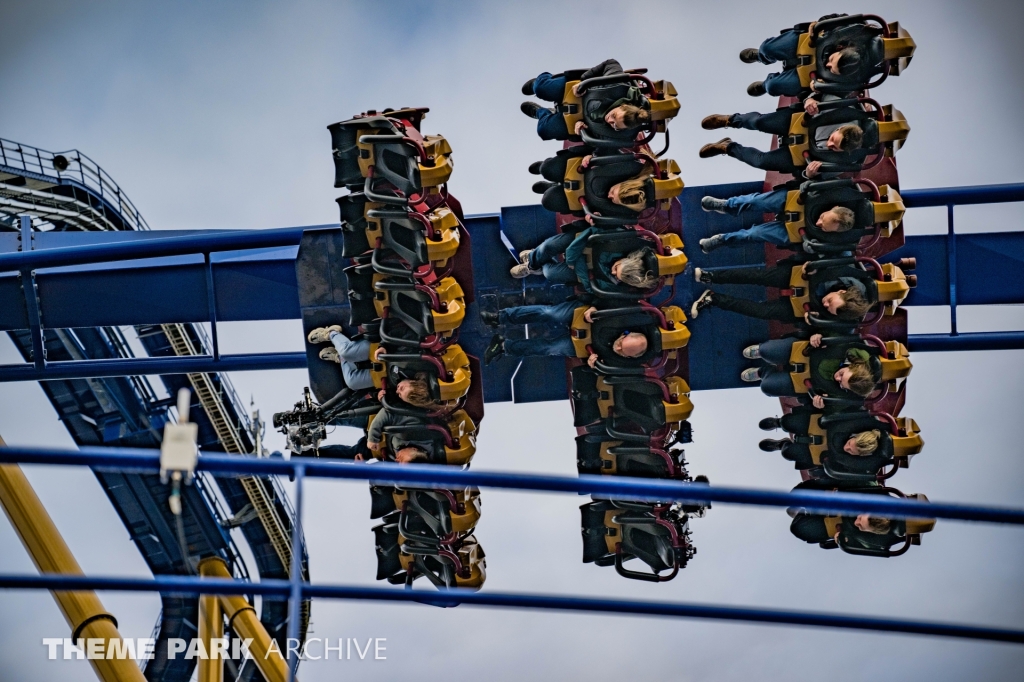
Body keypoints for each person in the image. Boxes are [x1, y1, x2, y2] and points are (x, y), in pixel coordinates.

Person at [698, 98, 864, 178]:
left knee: (761, 161)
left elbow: (816, 176)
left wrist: (809, 173)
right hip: (798, 122)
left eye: (834, 148)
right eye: (832, 138)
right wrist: (810, 101)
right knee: (759, 122)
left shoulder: (847, 161)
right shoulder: (846, 112)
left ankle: (727, 147)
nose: (829, 144)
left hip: (801, 155)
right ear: (840, 128)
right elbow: (818, 92)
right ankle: (731, 120)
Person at [689, 258, 873, 326]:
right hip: (801, 275)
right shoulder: (846, 276)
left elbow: (827, 323)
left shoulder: (844, 314)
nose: (826, 304)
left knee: (761, 312)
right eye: (830, 301)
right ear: (841, 291)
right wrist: (812, 266)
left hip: (804, 307)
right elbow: (826, 260)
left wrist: (815, 323)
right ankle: (711, 276)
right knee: (756, 276)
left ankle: (713, 299)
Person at [511, 226, 673, 294]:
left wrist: (577, 264)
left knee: (549, 273)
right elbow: (594, 231)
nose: (612, 272)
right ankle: (532, 261)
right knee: (548, 246)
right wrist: (574, 255)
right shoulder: (624, 242)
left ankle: (537, 266)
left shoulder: (621, 285)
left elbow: (593, 288)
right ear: (626, 259)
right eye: (617, 268)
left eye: (616, 276)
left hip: (582, 270)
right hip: (581, 244)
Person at [520, 58, 651, 141]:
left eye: (615, 126)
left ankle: (541, 112)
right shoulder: (616, 86)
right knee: (541, 88)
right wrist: (584, 81)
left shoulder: (621, 135)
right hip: (574, 91)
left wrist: (583, 130)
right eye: (614, 116)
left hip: (576, 119)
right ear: (623, 106)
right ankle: (538, 82)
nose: (610, 120)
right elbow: (611, 63)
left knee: (543, 130)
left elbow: (601, 145)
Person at [480, 303, 649, 366]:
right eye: (621, 343)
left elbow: (606, 370)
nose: (617, 347)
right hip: (584, 316)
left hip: (583, 347)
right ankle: (499, 317)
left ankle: (502, 346)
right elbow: (608, 299)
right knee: (550, 313)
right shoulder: (627, 317)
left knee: (549, 348)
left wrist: (593, 364)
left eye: (622, 351)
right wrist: (594, 307)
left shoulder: (623, 363)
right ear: (626, 334)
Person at [740, 14, 864, 97]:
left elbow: (843, 91)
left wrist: (821, 88)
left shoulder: (863, 74)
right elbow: (837, 18)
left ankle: (764, 85)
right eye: (831, 60)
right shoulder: (859, 30)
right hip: (812, 42)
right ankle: (761, 56)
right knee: (768, 48)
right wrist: (819, 24)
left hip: (814, 74)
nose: (828, 63)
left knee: (773, 86)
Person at [697, 188, 856, 252]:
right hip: (795, 201)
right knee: (756, 202)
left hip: (796, 233)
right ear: (832, 207)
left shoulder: (838, 244)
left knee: (753, 234)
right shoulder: (832, 193)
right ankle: (728, 206)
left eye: (824, 228)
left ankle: (722, 240)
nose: (818, 223)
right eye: (822, 218)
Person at [740, 334, 881, 404]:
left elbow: (833, 406)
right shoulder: (854, 349)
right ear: (854, 366)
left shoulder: (848, 394)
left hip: (806, 381)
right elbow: (835, 330)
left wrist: (820, 403)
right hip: (804, 352)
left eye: (840, 383)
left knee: (767, 387)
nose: (837, 378)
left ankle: (763, 371)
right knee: (767, 351)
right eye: (842, 375)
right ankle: (762, 351)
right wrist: (818, 335)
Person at [530, 147, 656, 220]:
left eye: (613, 200)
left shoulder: (630, 210)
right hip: (579, 169)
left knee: (549, 200)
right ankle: (545, 169)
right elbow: (606, 149)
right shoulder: (630, 168)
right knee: (547, 169)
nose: (609, 197)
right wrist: (592, 155)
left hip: (581, 199)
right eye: (613, 193)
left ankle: (552, 187)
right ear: (624, 183)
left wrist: (597, 217)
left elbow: (610, 217)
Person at [757, 406, 883, 470]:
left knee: (788, 453)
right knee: (788, 422)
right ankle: (779, 423)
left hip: (821, 452)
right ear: (855, 436)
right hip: (820, 425)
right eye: (849, 443)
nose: (846, 447)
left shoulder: (864, 463)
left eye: (850, 451)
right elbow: (848, 407)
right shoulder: (864, 421)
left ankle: (781, 445)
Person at [307, 325, 378, 390]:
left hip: (387, 375)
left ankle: (341, 357)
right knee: (348, 353)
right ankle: (331, 333)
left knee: (352, 382)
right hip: (383, 348)